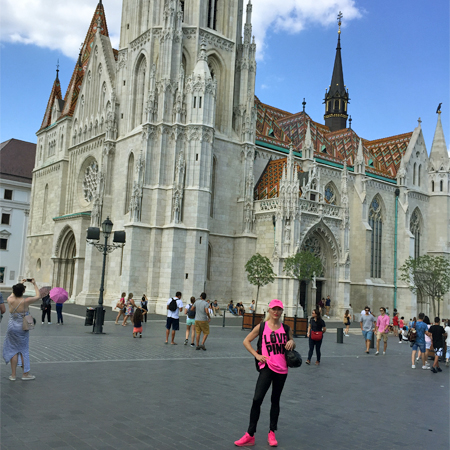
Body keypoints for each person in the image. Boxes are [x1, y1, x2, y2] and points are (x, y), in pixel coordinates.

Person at [234, 299, 295, 448]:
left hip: (282, 369)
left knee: (275, 400)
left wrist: (292, 342)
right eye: (274, 309)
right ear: (269, 310)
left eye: (279, 309)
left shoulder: (286, 329)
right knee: (257, 399)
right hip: (267, 367)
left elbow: (291, 343)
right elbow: (246, 341)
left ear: (281, 311)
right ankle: (250, 434)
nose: (276, 312)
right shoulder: (262, 327)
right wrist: (257, 355)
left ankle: (272, 432)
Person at [3, 279, 41, 381]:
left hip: (11, 327)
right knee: (23, 349)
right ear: (23, 292)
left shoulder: (9, 299)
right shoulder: (25, 301)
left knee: (13, 350)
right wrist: (34, 284)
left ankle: (13, 375)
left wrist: (21, 283)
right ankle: (25, 374)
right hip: (22, 327)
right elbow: (38, 296)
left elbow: (13, 293)